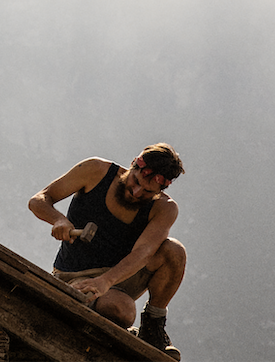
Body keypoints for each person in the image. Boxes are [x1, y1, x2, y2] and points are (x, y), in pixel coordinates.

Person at [29, 143, 186, 360]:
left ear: (161, 190)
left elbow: (144, 252)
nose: (137, 192)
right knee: (122, 310)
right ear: (133, 164)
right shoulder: (96, 171)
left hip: (119, 277)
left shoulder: (165, 208)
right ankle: (87, 298)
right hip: (74, 274)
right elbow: (38, 199)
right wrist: (58, 219)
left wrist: (106, 281)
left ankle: (153, 327)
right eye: (136, 181)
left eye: (148, 191)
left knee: (174, 251)